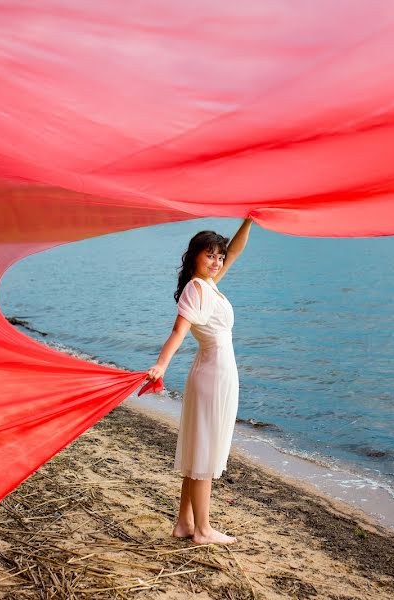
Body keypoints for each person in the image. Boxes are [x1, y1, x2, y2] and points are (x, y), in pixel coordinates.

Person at [145, 217, 254, 545]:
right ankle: (203, 531)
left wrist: (251, 218)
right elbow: (178, 331)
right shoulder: (196, 288)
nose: (217, 261)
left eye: (218, 256)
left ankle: (184, 523)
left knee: (198, 451)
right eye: (210, 255)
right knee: (205, 452)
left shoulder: (209, 283)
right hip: (212, 374)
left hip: (217, 372)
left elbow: (234, 251)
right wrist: (161, 365)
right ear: (193, 256)